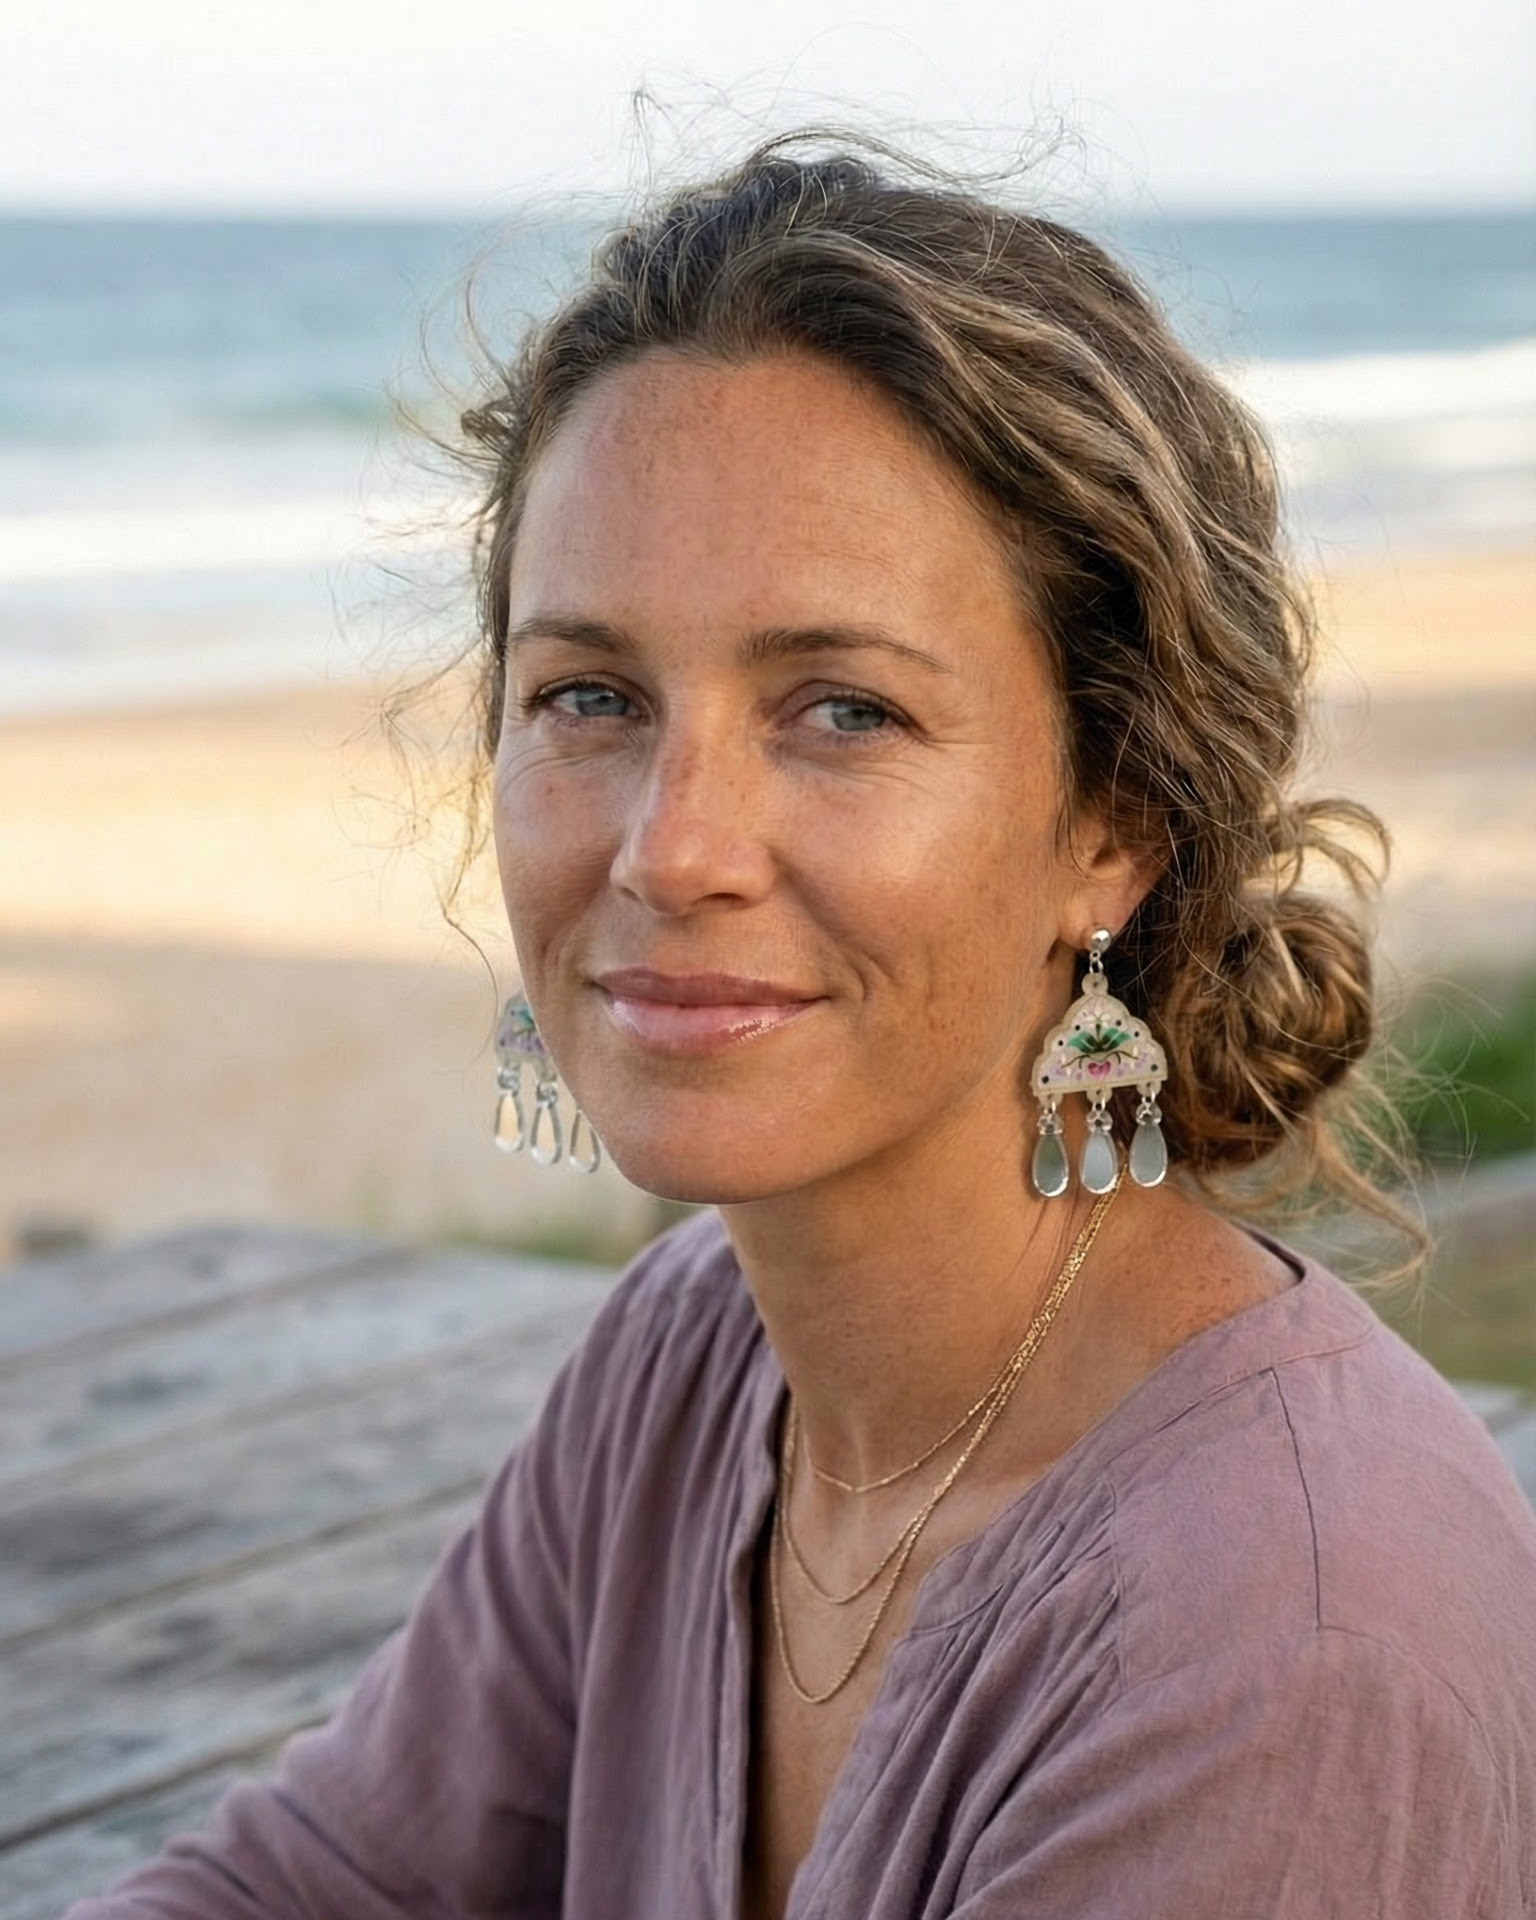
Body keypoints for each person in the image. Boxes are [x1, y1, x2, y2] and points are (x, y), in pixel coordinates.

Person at [64, 133, 1536, 1920]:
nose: (670, 846)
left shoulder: (1286, 1639)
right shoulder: (700, 1356)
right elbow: (331, 1875)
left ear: (1115, 827)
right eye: (589, 694)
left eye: (842, 710)